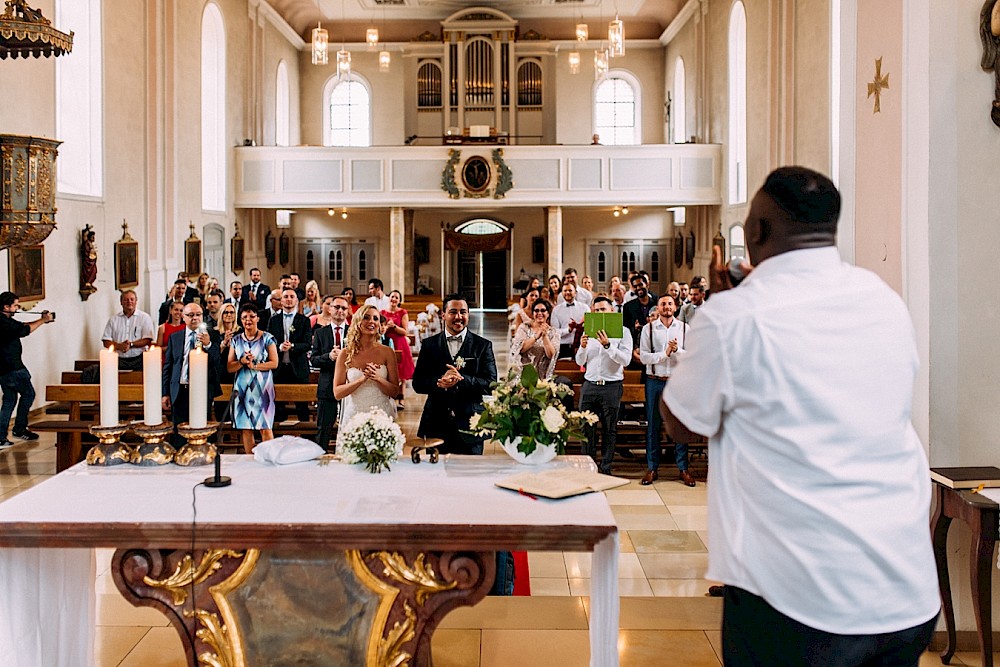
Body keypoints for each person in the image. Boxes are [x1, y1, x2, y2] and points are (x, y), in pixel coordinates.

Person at [661, 166, 939, 665]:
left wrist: (722, 310)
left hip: (799, 596)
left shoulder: (734, 316)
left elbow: (682, 421)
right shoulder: (884, 301)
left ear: (757, 232)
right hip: (904, 587)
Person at [412, 295, 497, 455]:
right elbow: (418, 383)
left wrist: (461, 380)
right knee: (436, 476)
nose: (458, 317)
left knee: (470, 477)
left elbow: (491, 384)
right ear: (443, 315)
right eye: (453, 312)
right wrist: (439, 382)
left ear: (468, 315)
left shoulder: (483, 346)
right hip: (436, 423)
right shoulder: (430, 345)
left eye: (463, 312)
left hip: (471, 424)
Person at [576, 296, 633, 475]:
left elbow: (626, 360)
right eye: (597, 310)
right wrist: (582, 347)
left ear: (612, 311)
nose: (600, 312)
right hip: (590, 384)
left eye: (603, 309)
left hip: (611, 385)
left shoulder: (623, 332)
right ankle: (588, 466)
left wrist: (608, 345)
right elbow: (580, 360)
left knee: (610, 428)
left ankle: (606, 467)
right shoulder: (589, 330)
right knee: (586, 427)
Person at [637, 295, 690, 486]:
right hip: (655, 381)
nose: (666, 307)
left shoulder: (684, 328)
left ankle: (683, 468)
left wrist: (676, 352)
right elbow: (643, 357)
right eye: (663, 304)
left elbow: (692, 356)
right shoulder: (648, 329)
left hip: (677, 382)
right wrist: (664, 354)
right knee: (653, 425)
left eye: (670, 303)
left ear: (675, 307)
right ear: (657, 308)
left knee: (679, 425)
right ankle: (652, 468)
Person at [333, 304, 400, 448]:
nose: (372, 321)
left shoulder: (387, 352)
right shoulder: (346, 353)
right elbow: (337, 393)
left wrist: (378, 378)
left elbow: (395, 392)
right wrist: (362, 379)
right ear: (358, 321)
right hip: (354, 414)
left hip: (381, 414)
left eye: (376, 318)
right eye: (366, 317)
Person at [161, 303, 222, 440]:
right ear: (183, 317)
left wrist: (209, 344)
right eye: (190, 315)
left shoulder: (212, 334)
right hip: (180, 389)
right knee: (179, 429)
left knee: (201, 427)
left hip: (202, 389)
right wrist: (165, 393)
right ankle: (180, 456)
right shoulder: (175, 337)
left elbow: (217, 361)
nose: (195, 318)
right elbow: (168, 366)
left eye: (198, 315)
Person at [0, 292, 54, 447]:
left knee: (9, 400)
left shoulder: (5, 319)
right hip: (12, 368)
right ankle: (19, 428)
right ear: (6, 306)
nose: (17, 308)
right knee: (28, 394)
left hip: (4, 369)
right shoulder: (2, 322)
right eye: (15, 305)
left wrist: (42, 320)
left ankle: (2, 436)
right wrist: (42, 321)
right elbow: (24, 331)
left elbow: (21, 326)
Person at [228, 304, 278, 454]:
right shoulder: (236, 340)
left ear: (257, 318)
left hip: (262, 388)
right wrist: (242, 362)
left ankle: (269, 458)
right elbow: (230, 367)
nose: (248, 320)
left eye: (251, 316)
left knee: (265, 426)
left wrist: (255, 366)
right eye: (244, 317)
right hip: (242, 389)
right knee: (246, 427)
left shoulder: (267, 338)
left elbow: (274, 363)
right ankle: (250, 460)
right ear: (241, 320)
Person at [311, 295, 351, 452]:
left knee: (348, 426)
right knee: (324, 428)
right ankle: (319, 459)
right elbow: (313, 359)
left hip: (348, 386)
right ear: (330, 309)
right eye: (337, 307)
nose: (340, 311)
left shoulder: (353, 332)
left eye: (343, 308)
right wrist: (329, 356)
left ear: (347, 312)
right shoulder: (321, 333)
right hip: (327, 387)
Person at [266, 288, 312, 422]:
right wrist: (279, 347)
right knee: (278, 406)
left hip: (298, 368)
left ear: (296, 300)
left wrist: (292, 346)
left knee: (302, 406)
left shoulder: (304, 320)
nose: (289, 299)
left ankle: (306, 439)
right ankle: (279, 438)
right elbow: (268, 341)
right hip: (279, 368)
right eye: (285, 296)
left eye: (292, 296)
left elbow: (307, 343)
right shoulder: (273, 320)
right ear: (281, 300)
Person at [101, 290, 155, 371]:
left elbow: (148, 339)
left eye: (132, 299)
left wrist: (131, 344)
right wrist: (119, 346)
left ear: (136, 301)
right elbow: (106, 341)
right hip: (118, 360)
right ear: (121, 302)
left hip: (139, 360)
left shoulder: (145, 318)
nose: (129, 302)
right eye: (126, 300)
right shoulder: (113, 319)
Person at [509, 298, 558, 380]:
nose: (539, 313)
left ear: (548, 313)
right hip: (523, 373)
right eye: (536, 310)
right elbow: (520, 348)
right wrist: (535, 337)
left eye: (543, 310)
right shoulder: (524, 327)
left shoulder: (554, 332)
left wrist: (545, 336)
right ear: (533, 313)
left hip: (543, 375)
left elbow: (551, 355)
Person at [381, 290, 414, 409]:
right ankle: (389, 398)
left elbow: (405, 331)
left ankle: (401, 399)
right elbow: (380, 328)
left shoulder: (402, 312)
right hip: (387, 342)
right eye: (392, 296)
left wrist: (394, 326)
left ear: (399, 300)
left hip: (399, 342)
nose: (394, 299)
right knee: (388, 371)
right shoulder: (383, 312)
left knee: (401, 372)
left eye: (396, 297)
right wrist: (385, 327)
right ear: (389, 298)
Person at [550, 283, 587, 359]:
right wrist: (568, 330)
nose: (567, 293)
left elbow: (589, 327)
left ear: (575, 292)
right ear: (562, 293)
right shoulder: (556, 310)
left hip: (581, 346)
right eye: (565, 290)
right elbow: (554, 332)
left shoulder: (584, 308)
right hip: (563, 347)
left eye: (570, 290)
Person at [214, 302, 241, 389]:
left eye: (232, 312)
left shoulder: (241, 332)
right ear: (221, 314)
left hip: (237, 369)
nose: (229, 315)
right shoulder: (214, 332)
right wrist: (224, 343)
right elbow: (213, 353)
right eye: (226, 312)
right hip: (220, 369)